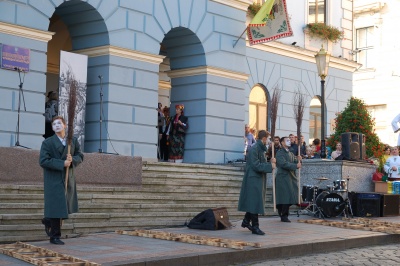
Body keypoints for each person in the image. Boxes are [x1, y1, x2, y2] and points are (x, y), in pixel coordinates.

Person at [39, 116, 84, 245]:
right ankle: (54, 236)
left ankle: (48, 220)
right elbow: (43, 161)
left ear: (64, 125)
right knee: (56, 206)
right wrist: (61, 163)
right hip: (53, 178)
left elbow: (80, 155)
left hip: (67, 178)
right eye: (54, 124)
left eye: (59, 123)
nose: (56, 125)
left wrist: (73, 159)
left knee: (62, 206)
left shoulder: (72, 141)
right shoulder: (47, 142)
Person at [238, 130, 276, 235]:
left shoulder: (261, 149)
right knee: (255, 202)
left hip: (258, 178)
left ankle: (246, 221)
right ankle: (255, 226)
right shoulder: (255, 148)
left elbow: (261, 163)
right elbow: (256, 165)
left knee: (255, 201)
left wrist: (269, 162)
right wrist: (269, 166)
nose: (268, 141)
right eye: (268, 138)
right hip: (253, 178)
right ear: (263, 138)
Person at [275, 136, 302, 223]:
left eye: (290, 140)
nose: (289, 142)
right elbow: (283, 164)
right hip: (282, 177)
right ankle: (284, 215)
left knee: (291, 195)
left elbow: (295, 162)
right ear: (282, 143)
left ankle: (283, 213)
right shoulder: (279, 153)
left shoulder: (291, 153)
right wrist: (295, 165)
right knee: (285, 196)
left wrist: (299, 161)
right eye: (287, 140)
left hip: (290, 177)